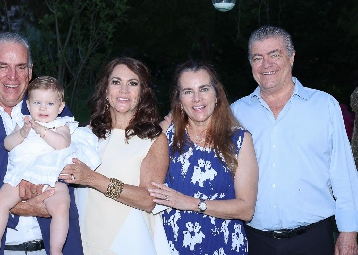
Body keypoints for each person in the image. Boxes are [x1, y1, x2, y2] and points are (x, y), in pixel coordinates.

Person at [0, 33, 83, 255]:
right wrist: (20, 207)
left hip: (50, 246)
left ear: (30, 72)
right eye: (3, 66)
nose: (13, 76)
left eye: (21, 67)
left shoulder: (54, 112)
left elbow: (72, 161)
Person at [231, 25, 358, 255]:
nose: (266, 64)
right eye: (257, 57)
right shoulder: (236, 113)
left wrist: (348, 232)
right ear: (251, 64)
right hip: (253, 241)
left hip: (313, 239)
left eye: (274, 54)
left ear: (291, 58)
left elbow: (344, 173)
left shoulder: (324, 106)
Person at [0, 76, 100, 255]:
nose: (42, 108)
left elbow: (62, 144)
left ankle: (56, 248)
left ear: (60, 107)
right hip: (21, 176)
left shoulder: (61, 125)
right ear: (28, 104)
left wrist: (42, 130)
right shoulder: (23, 122)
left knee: (61, 205)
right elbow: (7, 144)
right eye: (37, 102)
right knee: (1, 200)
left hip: (51, 178)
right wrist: (22, 133)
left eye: (49, 104)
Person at [60, 57, 170, 255]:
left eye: (133, 83)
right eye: (116, 82)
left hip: (129, 245)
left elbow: (148, 199)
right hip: (82, 245)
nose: (124, 90)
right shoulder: (86, 134)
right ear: (105, 89)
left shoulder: (154, 139)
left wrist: (92, 179)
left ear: (143, 93)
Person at [149, 60, 258, 254]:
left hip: (223, 247)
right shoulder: (166, 135)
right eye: (188, 91)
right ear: (180, 100)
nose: (197, 99)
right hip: (171, 247)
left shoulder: (239, 140)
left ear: (217, 95)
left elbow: (246, 209)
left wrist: (191, 203)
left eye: (204, 89)